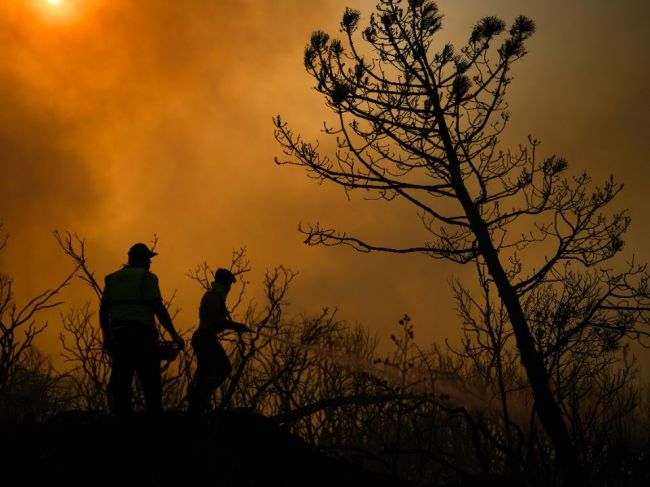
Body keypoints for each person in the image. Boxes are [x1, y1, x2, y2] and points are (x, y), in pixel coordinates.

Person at [99, 242, 185, 416]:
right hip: (143, 336)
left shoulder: (111, 278)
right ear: (138, 258)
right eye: (148, 258)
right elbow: (158, 308)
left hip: (120, 337)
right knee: (151, 385)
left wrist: (107, 336)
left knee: (121, 384)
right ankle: (154, 427)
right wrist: (174, 334)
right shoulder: (147, 277)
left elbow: (103, 311)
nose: (150, 262)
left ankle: (122, 423)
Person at [187, 268, 250, 415]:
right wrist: (235, 326)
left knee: (205, 374)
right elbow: (217, 320)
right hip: (205, 337)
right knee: (224, 368)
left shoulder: (216, 296)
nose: (229, 288)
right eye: (228, 284)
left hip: (205, 337)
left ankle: (196, 409)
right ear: (224, 283)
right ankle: (197, 395)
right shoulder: (213, 296)